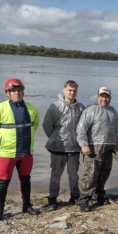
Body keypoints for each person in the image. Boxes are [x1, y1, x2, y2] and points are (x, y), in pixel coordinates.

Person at [0, 78, 39, 221]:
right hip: (7, 153)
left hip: (26, 152)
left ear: (23, 92)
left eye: (19, 90)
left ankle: (26, 205)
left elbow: (35, 125)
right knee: (3, 182)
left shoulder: (32, 109)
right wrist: (2, 138)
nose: (17, 93)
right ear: (7, 93)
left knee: (26, 180)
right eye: (13, 91)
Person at [42, 80, 85, 210]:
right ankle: (52, 198)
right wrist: (55, 138)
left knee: (73, 174)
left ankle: (75, 197)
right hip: (57, 147)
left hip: (74, 147)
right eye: (69, 90)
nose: (72, 93)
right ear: (64, 90)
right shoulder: (54, 106)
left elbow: (83, 127)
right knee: (55, 174)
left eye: (74, 90)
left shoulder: (81, 107)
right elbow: (47, 125)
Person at [76, 87, 118, 212]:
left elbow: (114, 128)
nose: (104, 99)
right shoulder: (90, 110)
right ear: (97, 97)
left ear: (110, 98)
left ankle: (100, 194)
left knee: (104, 173)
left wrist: (116, 141)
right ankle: (84, 199)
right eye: (102, 96)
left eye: (107, 97)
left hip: (108, 147)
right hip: (94, 147)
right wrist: (83, 144)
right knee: (90, 175)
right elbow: (81, 129)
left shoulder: (113, 111)